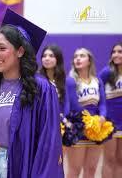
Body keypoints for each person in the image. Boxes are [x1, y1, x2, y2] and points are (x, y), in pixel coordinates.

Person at [0, 9, 64, 178]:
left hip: (19, 164)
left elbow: (48, 141)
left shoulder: (41, 88)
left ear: (20, 51)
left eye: (1, 48)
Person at [66, 48, 106, 178]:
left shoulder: (97, 80)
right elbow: (74, 104)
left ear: (89, 61)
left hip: (96, 129)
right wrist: (88, 120)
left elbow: (103, 103)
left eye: (82, 56)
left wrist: (102, 116)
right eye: (75, 56)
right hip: (78, 127)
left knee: (91, 169)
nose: (77, 58)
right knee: (74, 170)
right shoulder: (71, 81)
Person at [100, 42, 122, 178]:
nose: (116, 54)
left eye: (120, 52)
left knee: (120, 160)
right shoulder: (107, 72)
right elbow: (97, 91)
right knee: (109, 159)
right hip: (111, 123)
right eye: (114, 52)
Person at [40, 45, 69, 119]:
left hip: (61, 121)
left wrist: (64, 119)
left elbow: (67, 104)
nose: (47, 58)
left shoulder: (65, 80)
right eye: (44, 56)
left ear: (58, 59)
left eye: (51, 56)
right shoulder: (38, 80)